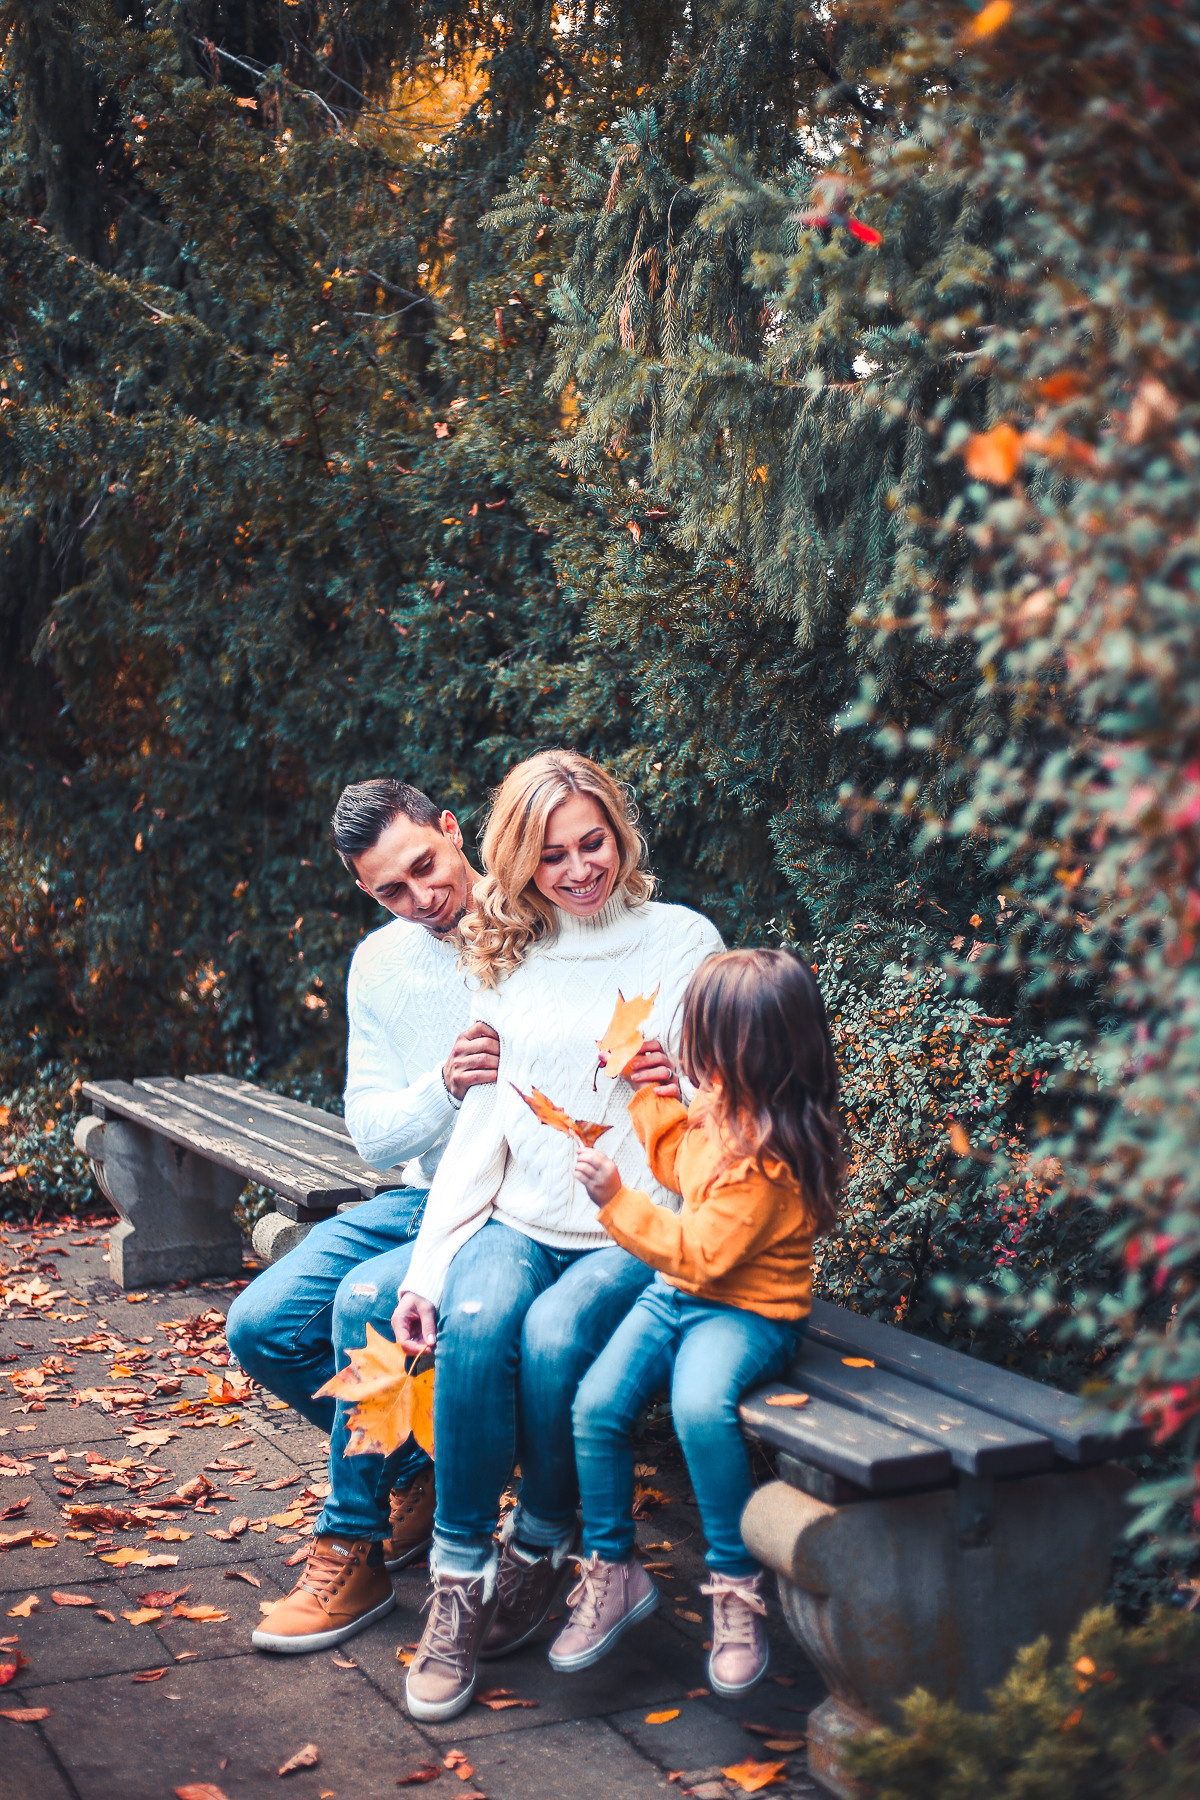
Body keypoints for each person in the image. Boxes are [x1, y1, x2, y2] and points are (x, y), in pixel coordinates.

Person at [392, 749, 725, 1722]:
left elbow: (731, 1101)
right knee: (477, 1319)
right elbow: (484, 1127)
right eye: (552, 856)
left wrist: (680, 1082)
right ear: (519, 862)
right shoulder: (508, 956)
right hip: (520, 1217)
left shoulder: (682, 941)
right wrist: (427, 1269)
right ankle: (458, 1585)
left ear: (620, 834)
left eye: (594, 843)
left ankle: (539, 1542)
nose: (580, 870)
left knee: (551, 1335)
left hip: (634, 1223)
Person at [227, 778, 501, 1654]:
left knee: (365, 1303)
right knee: (261, 1327)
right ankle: (415, 1469)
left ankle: (353, 1545)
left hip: (510, 1203)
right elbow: (374, 1134)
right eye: (391, 890)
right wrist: (443, 1085)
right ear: (363, 889)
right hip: (418, 1197)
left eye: (425, 866)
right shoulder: (379, 965)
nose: (422, 897)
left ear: (450, 829)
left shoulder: (533, 919)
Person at [554, 947, 841, 1697]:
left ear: (754, 1053)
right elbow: (682, 1164)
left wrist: (615, 1200)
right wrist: (652, 1095)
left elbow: (702, 1253)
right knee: (596, 1406)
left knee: (698, 1409)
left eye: (704, 1038)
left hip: (747, 1312)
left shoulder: (772, 1158)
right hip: (679, 1292)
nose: (691, 1051)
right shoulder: (724, 1103)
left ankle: (735, 1586)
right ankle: (613, 1568)